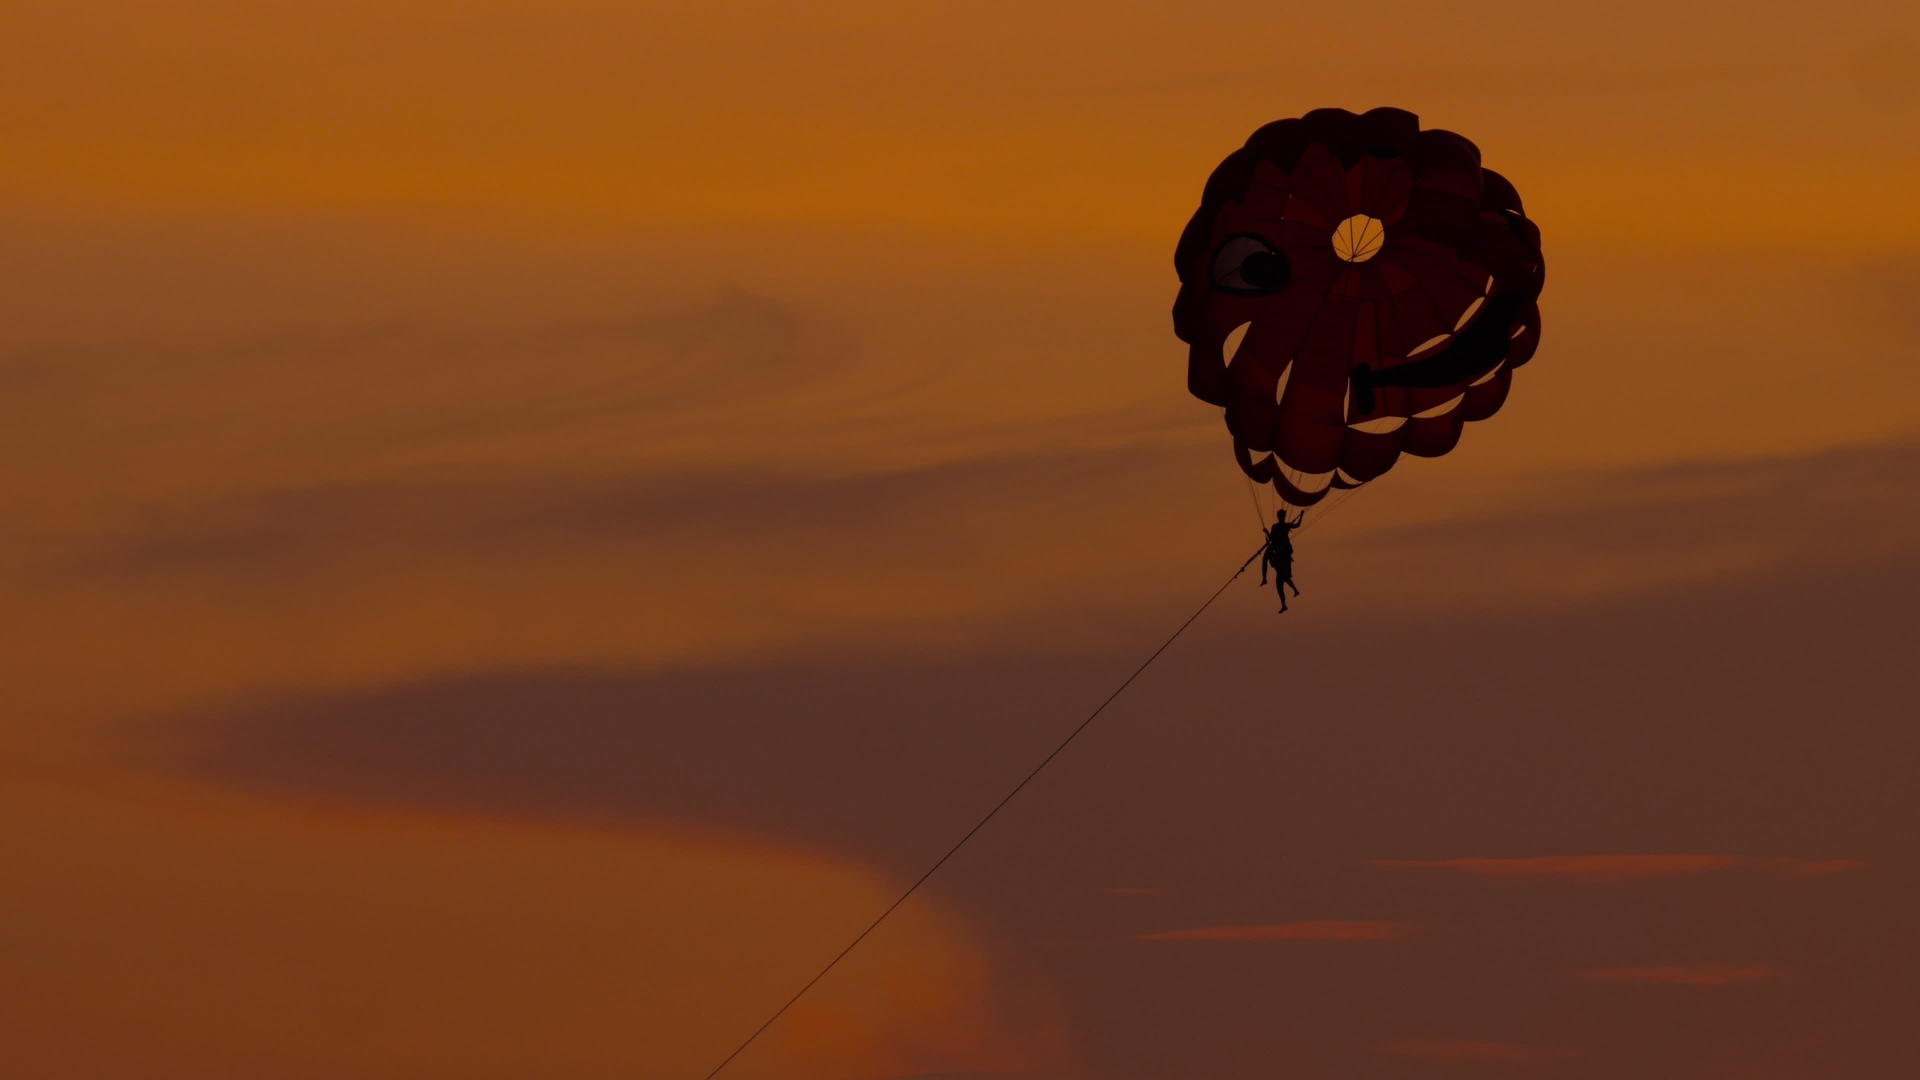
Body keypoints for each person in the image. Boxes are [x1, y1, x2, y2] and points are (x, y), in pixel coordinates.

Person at [1260, 509, 1304, 612]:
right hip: (1278, 552)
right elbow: (1271, 538)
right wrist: (1266, 532)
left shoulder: (1283, 526)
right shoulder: (1277, 526)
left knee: (1280, 579)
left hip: (1282, 553)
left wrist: (1301, 515)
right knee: (1280, 576)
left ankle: (1288, 598)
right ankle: (1265, 579)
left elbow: (1297, 525)